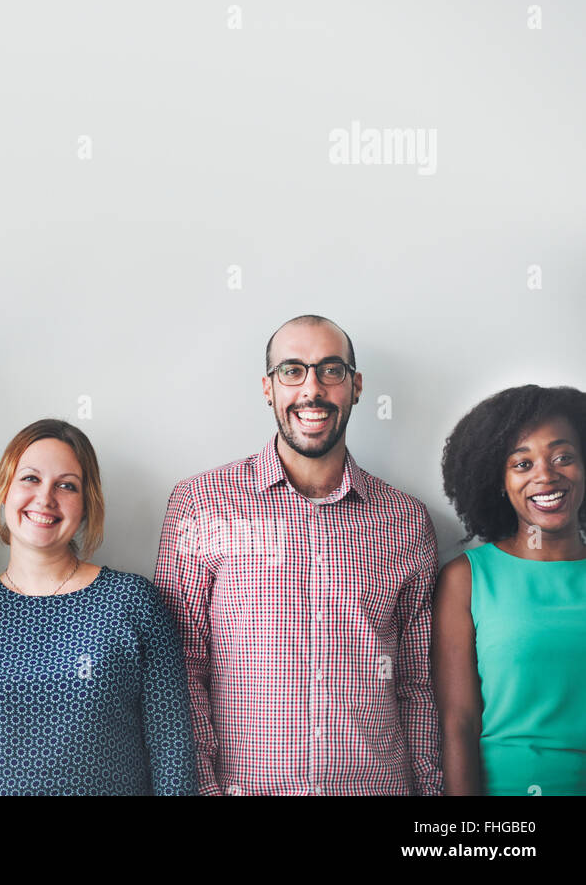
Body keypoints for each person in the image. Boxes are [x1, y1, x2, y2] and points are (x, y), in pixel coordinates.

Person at [154, 314, 443, 795]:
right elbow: (182, 667)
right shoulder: (201, 503)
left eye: (331, 370)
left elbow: (417, 682)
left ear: (356, 386)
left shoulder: (406, 520)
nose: (313, 389)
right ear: (268, 388)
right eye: (293, 371)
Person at [0, 419, 196, 796]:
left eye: (66, 485)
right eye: (30, 478)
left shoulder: (133, 602)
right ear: (4, 492)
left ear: (85, 506)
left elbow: (172, 751)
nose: (46, 498)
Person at [434, 385, 586, 796]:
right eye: (522, 463)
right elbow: (458, 722)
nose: (546, 475)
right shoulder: (466, 579)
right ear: (498, 481)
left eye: (563, 457)